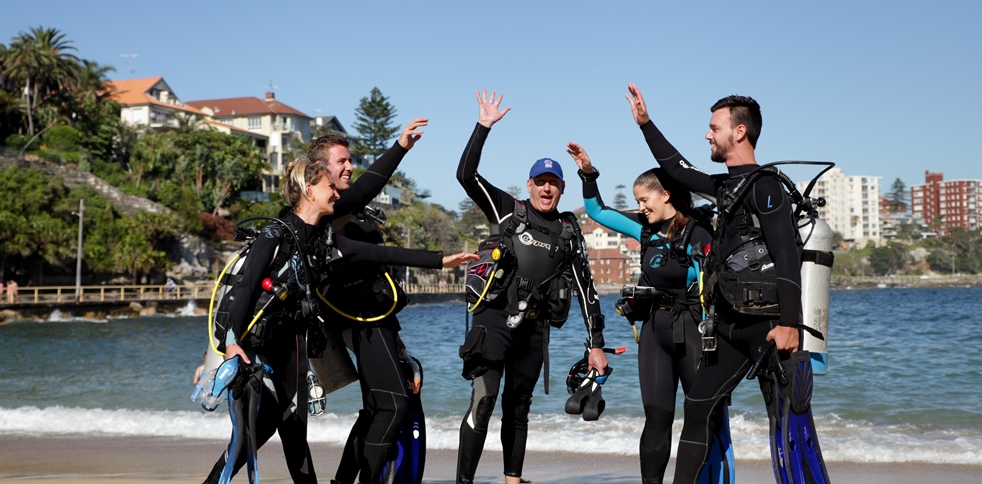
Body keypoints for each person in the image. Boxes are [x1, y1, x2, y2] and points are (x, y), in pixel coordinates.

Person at [204, 158, 474, 484]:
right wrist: (231, 344)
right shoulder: (275, 234)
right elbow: (245, 289)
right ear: (309, 189)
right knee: (268, 432)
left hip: (292, 350)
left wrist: (441, 261)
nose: (336, 194)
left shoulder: (322, 241)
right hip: (258, 352)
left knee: (285, 430)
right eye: (330, 187)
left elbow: (380, 254)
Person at [624, 83, 821, 483]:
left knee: (787, 424)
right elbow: (677, 168)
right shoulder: (724, 187)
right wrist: (646, 124)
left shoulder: (766, 187)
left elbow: (786, 254)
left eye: (714, 127)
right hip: (730, 324)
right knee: (698, 408)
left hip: (768, 326)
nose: (707, 135)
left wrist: (790, 323)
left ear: (739, 132)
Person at [305, 121, 475, 484]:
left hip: (376, 317)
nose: (349, 167)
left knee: (375, 408)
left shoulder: (341, 207)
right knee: (394, 404)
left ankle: (341, 481)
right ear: (319, 171)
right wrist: (399, 147)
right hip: (361, 318)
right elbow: (368, 189)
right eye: (342, 162)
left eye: (351, 160)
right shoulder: (328, 209)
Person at [455, 90, 608, 484]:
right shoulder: (509, 209)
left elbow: (586, 290)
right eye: (540, 181)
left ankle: (512, 479)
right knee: (484, 399)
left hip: (535, 330)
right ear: (529, 184)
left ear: (561, 189)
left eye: (553, 183)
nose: (546, 188)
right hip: (493, 319)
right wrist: (483, 127)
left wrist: (595, 344)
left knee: (518, 407)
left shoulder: (568, 232)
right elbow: (466, 176)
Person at [566, 142, 721, 483]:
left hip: (694, 332)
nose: (640, 207)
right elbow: (597, 211)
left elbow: (717, 286)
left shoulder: (699, 233)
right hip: (654, 333)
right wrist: (588, 173)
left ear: (665, 195)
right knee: (656, 417)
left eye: (644, 201)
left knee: (703, 417)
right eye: (637, 202)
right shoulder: (645, 230)